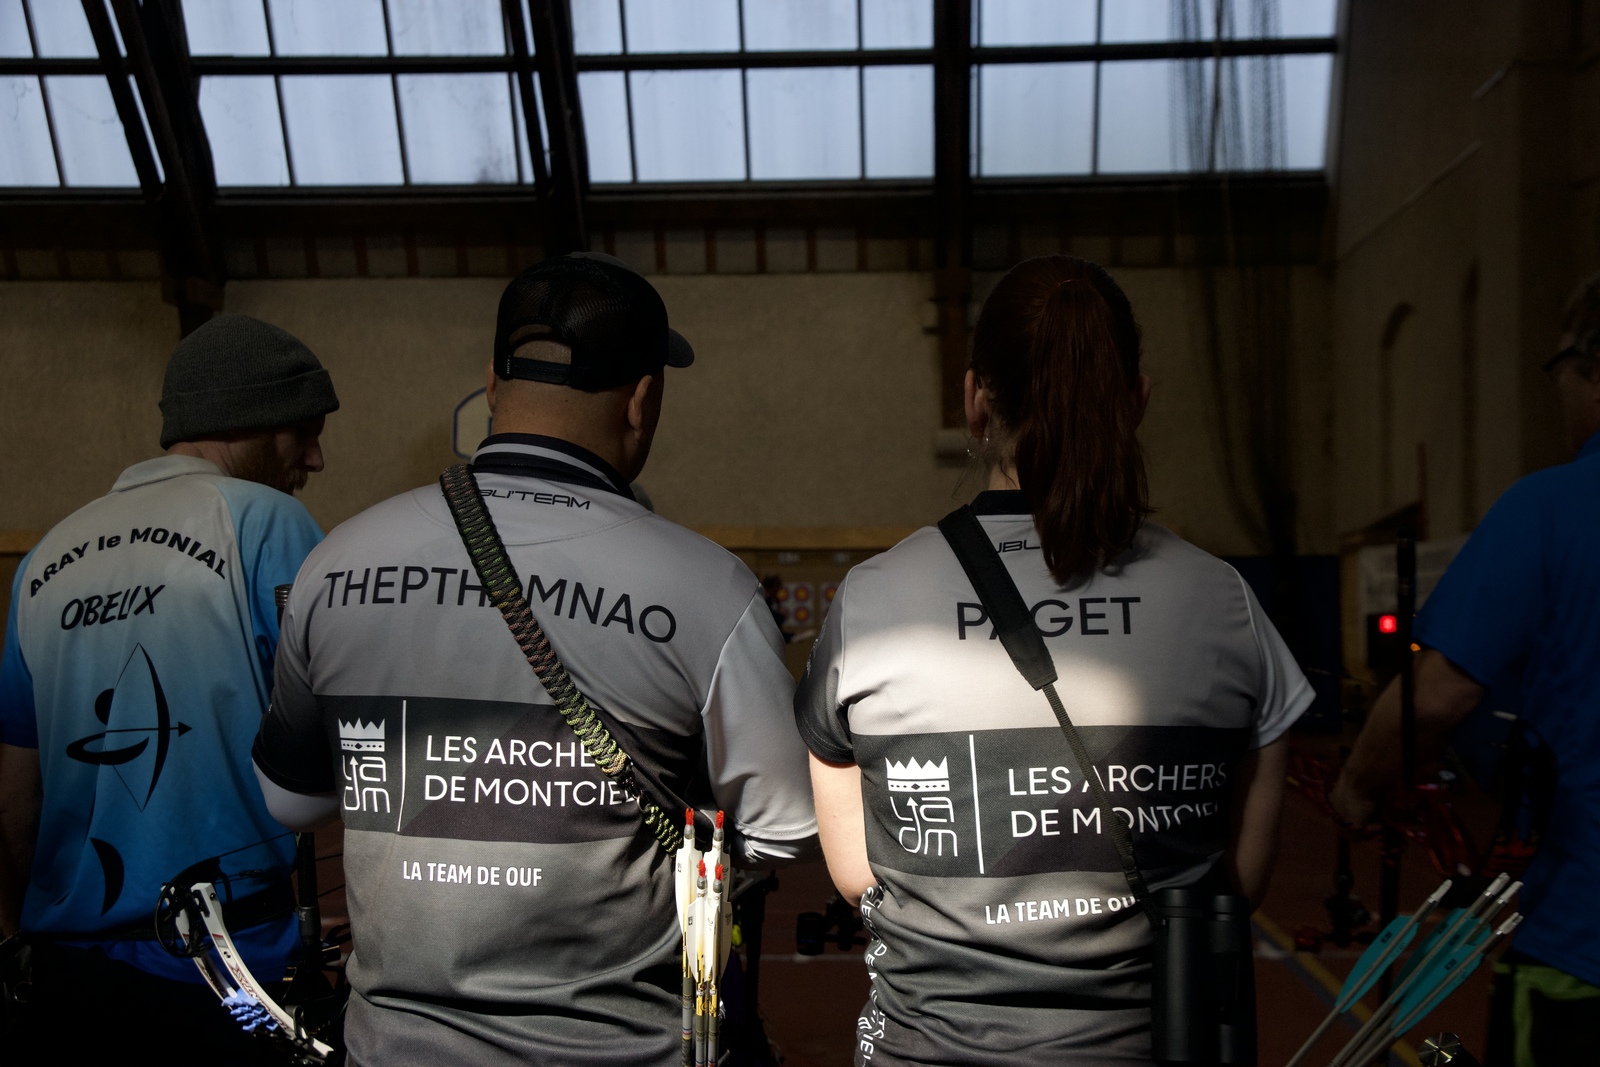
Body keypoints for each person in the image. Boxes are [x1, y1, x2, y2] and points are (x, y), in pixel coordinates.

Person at [251, 252, 818, 1066]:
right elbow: (788, 826)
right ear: (642, 399)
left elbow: (290, 801)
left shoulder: (337, 561)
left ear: (491, 384)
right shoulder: (706, 587)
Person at [797, 255, 1312, 1067]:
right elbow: (1238, 879)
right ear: (1136, 401)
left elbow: (859, 873)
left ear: (975, 400)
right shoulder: (1223, 601)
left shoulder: (872, 599)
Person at [0, 314, 338, 1061]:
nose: (314, 458)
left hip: (68, 983)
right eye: (304, 432)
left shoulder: (45, 558)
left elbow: (15, 798)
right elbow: (343, 747)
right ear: (250, 420)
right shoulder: (268, 523)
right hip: (231, 973)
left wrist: (24, 935)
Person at [1331, 274, 1600, 1067]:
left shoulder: (1550, 506)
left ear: (1594, 370)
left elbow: (1436, 695)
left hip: (1582, 950)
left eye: (1559, 369)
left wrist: (1357, 786)